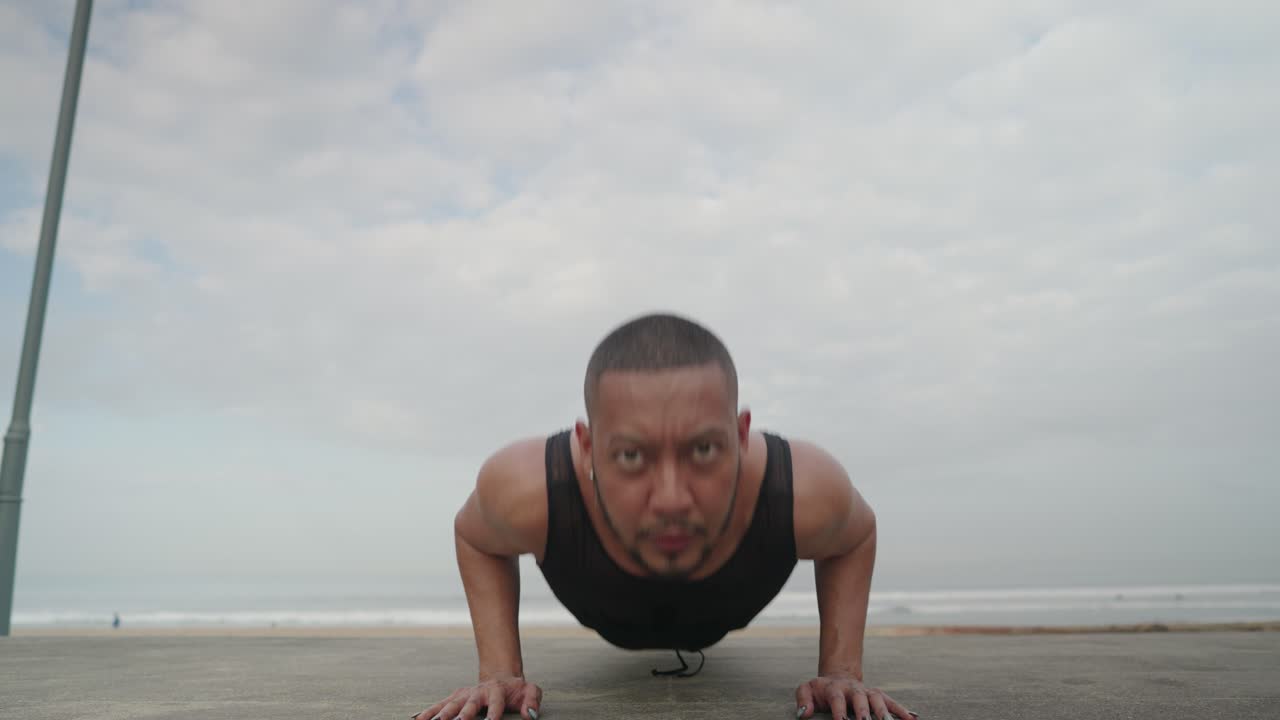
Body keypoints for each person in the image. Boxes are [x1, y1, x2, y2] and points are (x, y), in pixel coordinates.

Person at [412, 313, 918, 720]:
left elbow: (855, 535)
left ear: (741, 436)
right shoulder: (526, 490)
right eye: (632, 456)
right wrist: (499, 673)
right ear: (586, 449)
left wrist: (841, 671)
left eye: (703, 449)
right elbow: (476, 535)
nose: (672, 498)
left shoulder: (804, 491)